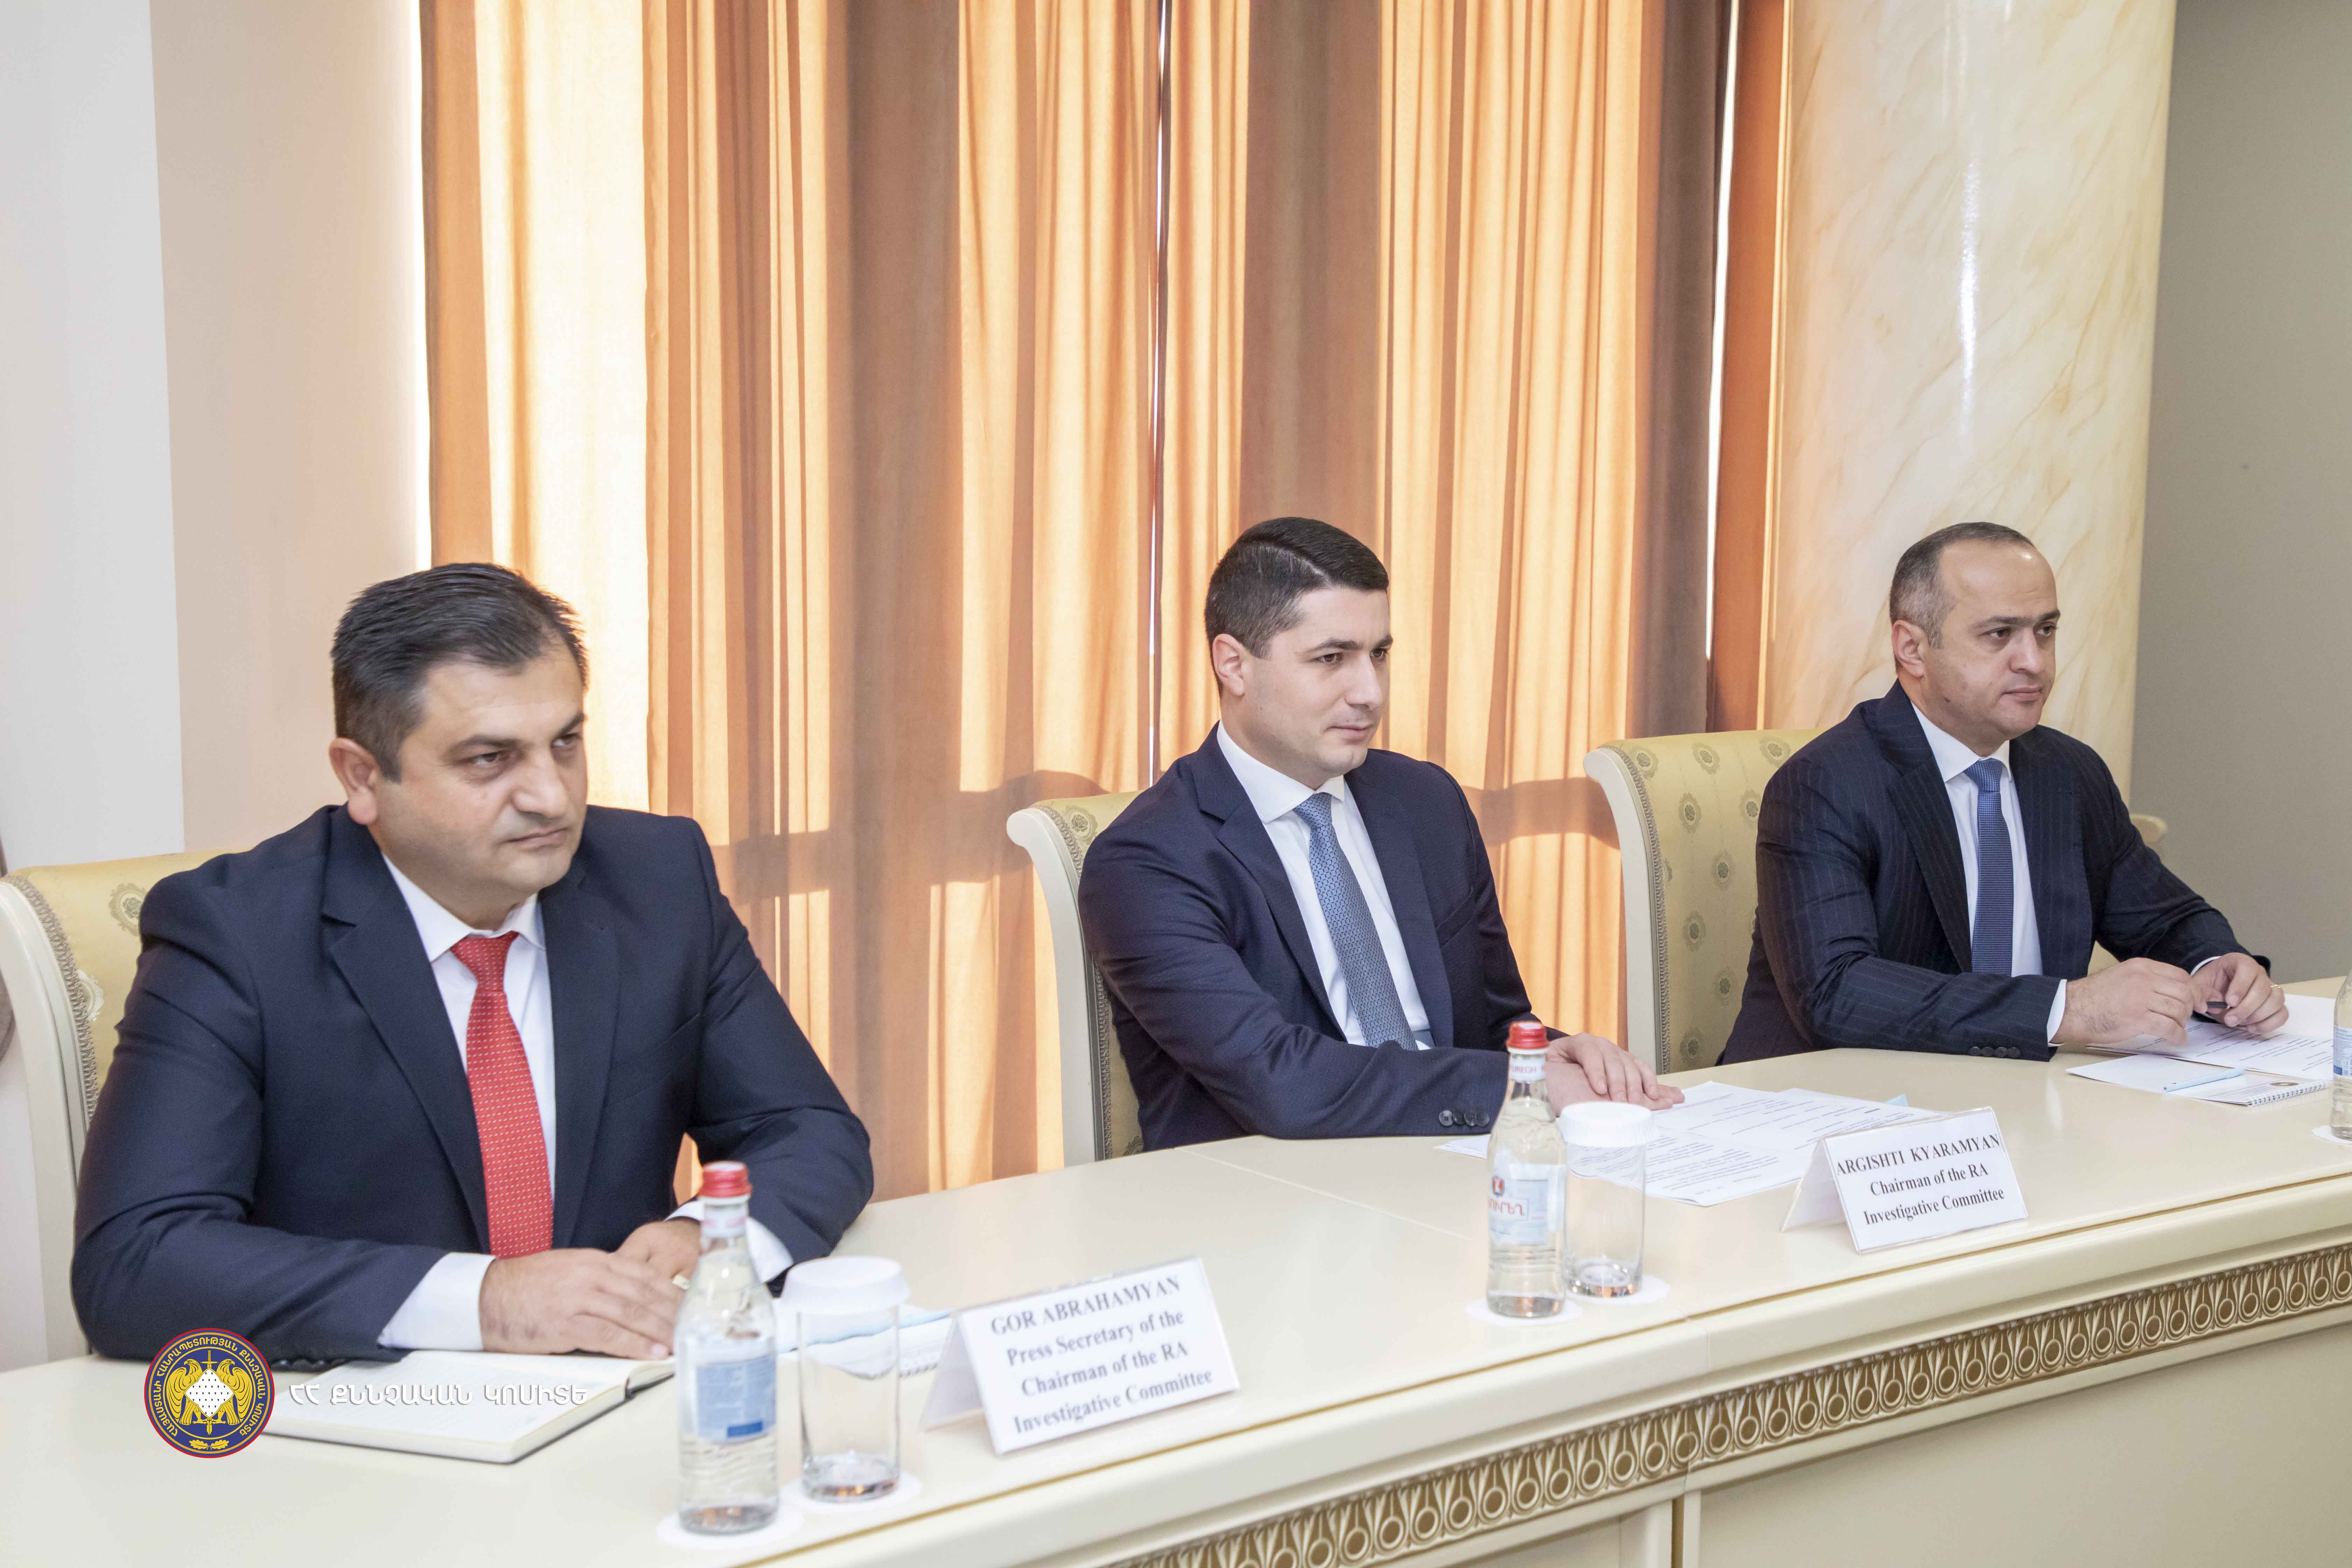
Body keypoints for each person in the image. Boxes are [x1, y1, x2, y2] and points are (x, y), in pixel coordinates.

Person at [74, 564, 872, 1363]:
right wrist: (485, 1300)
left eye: (566, 743)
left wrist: (711, 1237)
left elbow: (808, 1131)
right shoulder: (235, 934)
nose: (552, 797)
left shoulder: (656, 878)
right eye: (490, 759)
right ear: (362, 776)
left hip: (628, 1386)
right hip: (361, 1410)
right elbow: (137, 1261)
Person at [1080, 517, 1677, 1150]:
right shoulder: (1147, 861)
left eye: (1380, 655)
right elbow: (1280, 1083)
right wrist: (1522, 1086)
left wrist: (1557, 1055)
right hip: (1273, 1188)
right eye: (1331, 659)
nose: (1369, 692)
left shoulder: (1426, 802)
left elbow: (1492, 1023)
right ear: (1234, 665)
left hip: (1463, 1160)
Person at [1723, 522, 2283, 1064]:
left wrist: (2217, 966)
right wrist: (2064, 1010)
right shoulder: (1825, 784)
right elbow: (1836, 992)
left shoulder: (2069, 773)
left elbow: (2167, 919)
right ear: (1912, 648)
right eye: (1999, 635)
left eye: (2046, 631)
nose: (2034, 662)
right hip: (1834, 1102)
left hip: (2023, 1101)